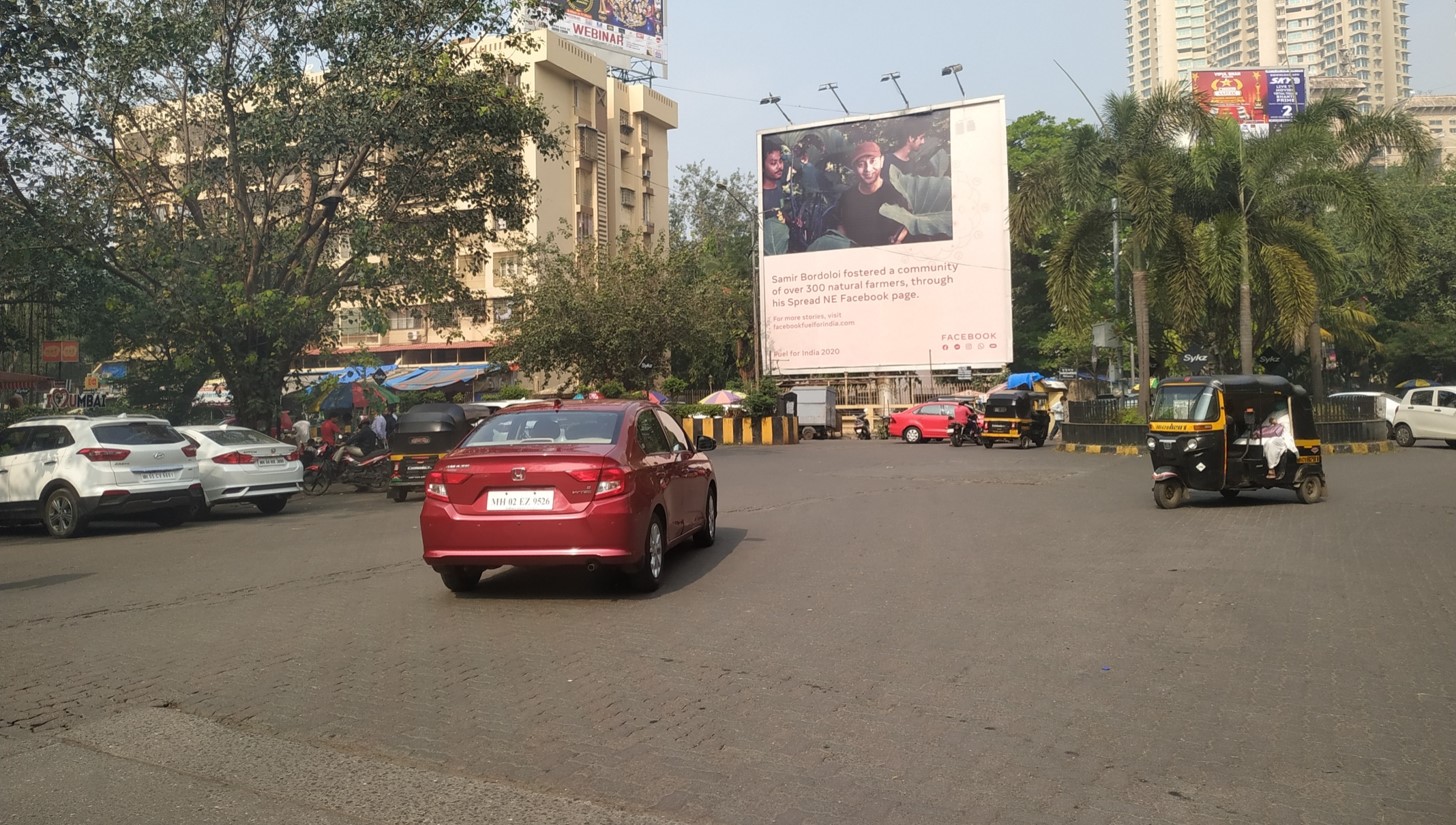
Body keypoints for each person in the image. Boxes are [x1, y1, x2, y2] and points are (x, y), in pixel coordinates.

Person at [836, 140, 910, 247]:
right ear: (854, 168)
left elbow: (907, 223)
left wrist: (898, 240)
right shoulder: (847, 197)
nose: (868, 169)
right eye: (861, 164)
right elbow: (841, 226)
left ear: (882, 161)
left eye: (872, 161)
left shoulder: (895, 194)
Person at [883, 116, 929, 182]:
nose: (923, 142)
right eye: (921, 138)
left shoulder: (911, 163)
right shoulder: (887, 161)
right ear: (911, 138)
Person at [1256, 402, 1296, 479]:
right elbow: (1264, 426)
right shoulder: (1273, 414)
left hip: (1282, 437)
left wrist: (1277, 423)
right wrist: (1271, 423)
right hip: (1268, 435)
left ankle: (1271, 469)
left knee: (1271, 443)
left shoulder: (1288, 414)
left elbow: (1286, 428)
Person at [761, 138, 786, 218]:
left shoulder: (778, 184)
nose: (780, 166)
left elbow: (781, 213)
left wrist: (792, 221)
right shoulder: (762, 197)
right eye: (773, 163)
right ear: (762, 167)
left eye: (781, 161)